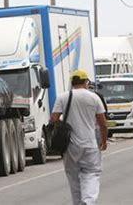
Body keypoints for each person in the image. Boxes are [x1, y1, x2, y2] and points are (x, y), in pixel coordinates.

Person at [51, 70, 108, 205]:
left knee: (73, 178)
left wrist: (65, 125)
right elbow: (103, 124)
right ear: (86, 82)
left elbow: (53, 119)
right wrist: (104, 142)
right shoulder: (94, 98)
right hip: (90, 143)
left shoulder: (63, 97)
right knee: (92, 173)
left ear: (72, 83)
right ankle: (88, 201)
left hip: (70, 146)